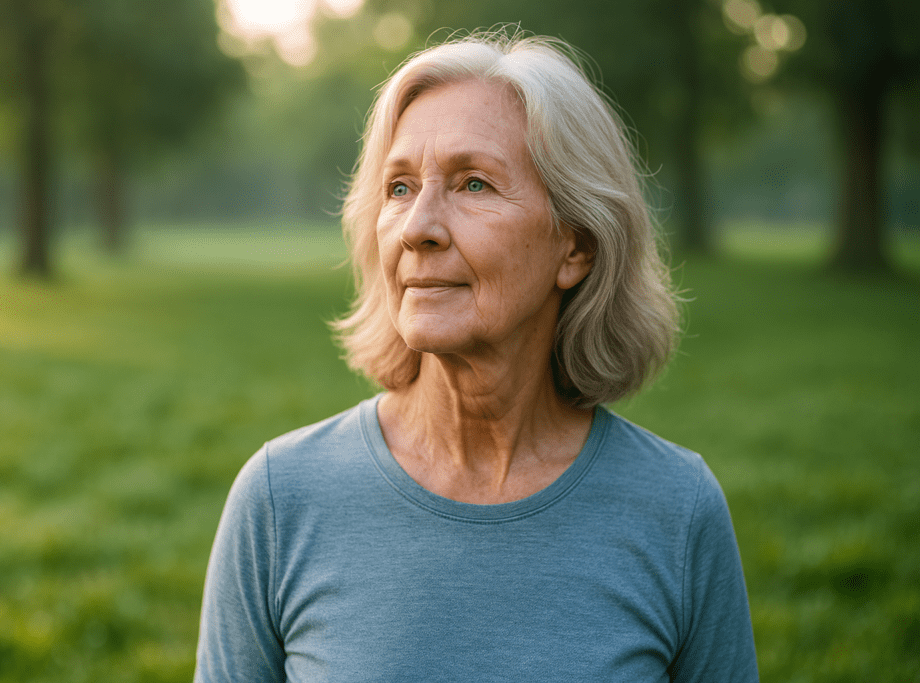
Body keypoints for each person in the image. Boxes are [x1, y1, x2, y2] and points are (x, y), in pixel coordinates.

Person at [196, 28, 758, 682]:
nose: (418, 228)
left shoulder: (678, 509)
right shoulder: (279, 497)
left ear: (575, 247)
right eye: (399, 187)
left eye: (473, 184)